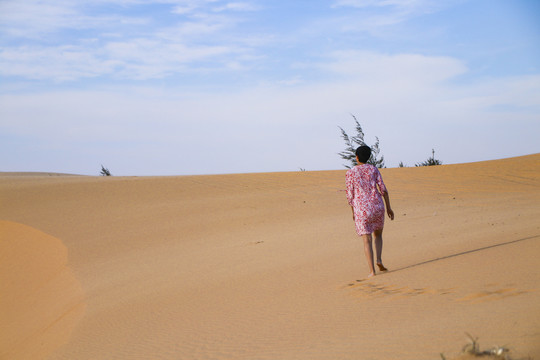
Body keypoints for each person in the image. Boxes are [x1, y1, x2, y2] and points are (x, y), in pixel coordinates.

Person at [346, 145, 394, 277]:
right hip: (377, 206)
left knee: (366, 240)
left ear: (356, 157)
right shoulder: (373, 169)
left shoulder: (351, 172)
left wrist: (353, 212)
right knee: (378, 235)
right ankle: (379, 260)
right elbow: (383, 189)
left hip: (361, 209)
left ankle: (372, 271)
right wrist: (389, 207)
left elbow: (350, 196)